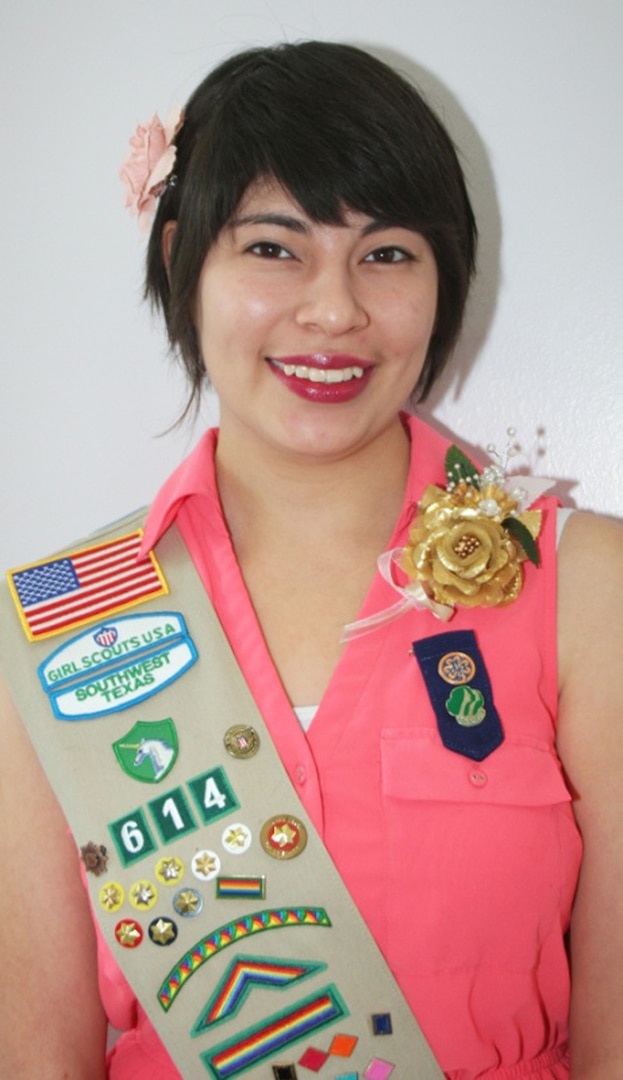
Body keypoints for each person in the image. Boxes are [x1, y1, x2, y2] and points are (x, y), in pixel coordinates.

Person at [0, 40, 621, 1080]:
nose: (332, 311)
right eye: (273, 248)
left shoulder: (584, 588)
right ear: (178, 260)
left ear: (444, 279)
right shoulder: (55, 623)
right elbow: (35, 1050)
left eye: (385, 254)